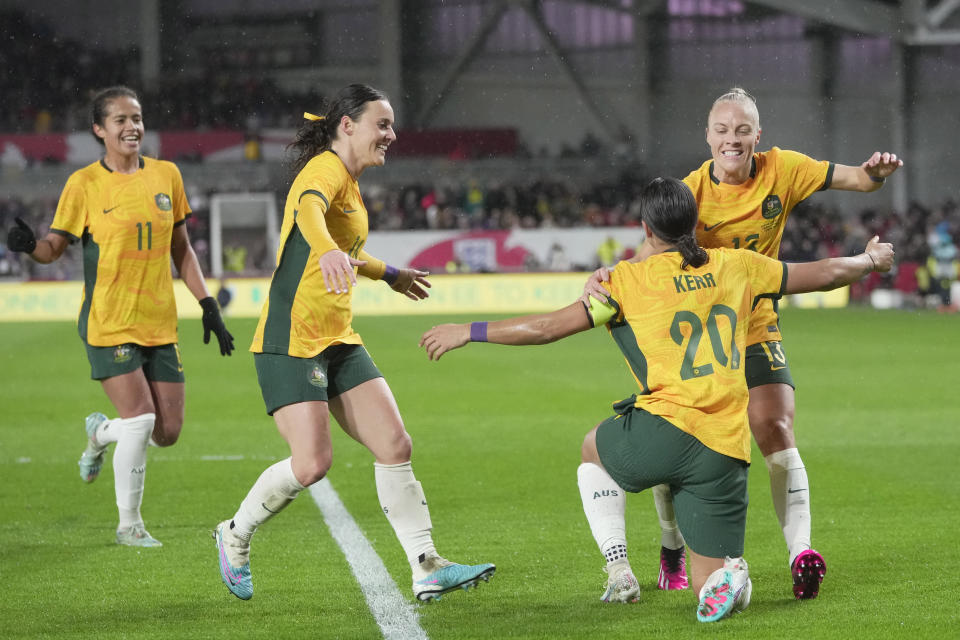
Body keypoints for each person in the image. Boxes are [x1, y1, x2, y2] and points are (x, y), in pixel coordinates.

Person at [419, 177, 894, 622]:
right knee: (706, 584)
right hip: (726, 449)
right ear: (695, 222)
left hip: (664, 430)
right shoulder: (738, 264)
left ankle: (619, 568)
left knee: (591, 451)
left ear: (646, 229)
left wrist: (469, 330)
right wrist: (871, 260)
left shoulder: (625, 282)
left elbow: (546, 328)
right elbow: (827, 273)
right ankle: (730, 576)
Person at [584, 87, 903, 599]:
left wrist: (876, 174)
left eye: (742, 130)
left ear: (759, 135)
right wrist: (605, 278)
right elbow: (651, 252)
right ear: (708, 137)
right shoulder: (690, 191)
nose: (732, 139)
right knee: (679, 435)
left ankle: (801, 553)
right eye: (722, 130)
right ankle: (671, 546)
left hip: (755, 324)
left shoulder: (785, 169)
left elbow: (859, 179)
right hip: (697, 338)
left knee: (775, 424)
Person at [213, 84, 495, 602]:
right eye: (381, 125)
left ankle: (426, 565)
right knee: (312, 464)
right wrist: (325, 251)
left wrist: (386, 273)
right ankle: (234, 534)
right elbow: (308, 214)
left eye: (391, 126)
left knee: (395, 445)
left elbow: (343, 250)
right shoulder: (324, 170)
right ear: (347, 125)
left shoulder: (351, 179)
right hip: (292, 337)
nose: (391, 135)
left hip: (337, 336)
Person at [4, 86, 234, 547]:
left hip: (159, 322)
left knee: (167, 433)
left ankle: (100, 433)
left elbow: (182, 250)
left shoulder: (167, 176)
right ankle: (129, 525)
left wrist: (208, 306)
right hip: (109, 321)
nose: (132, 127)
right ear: (99, 130)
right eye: (120, 120)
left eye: (137, 118)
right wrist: (31, 247)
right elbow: (54, 247)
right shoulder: (84, 184)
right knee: (143, 419)